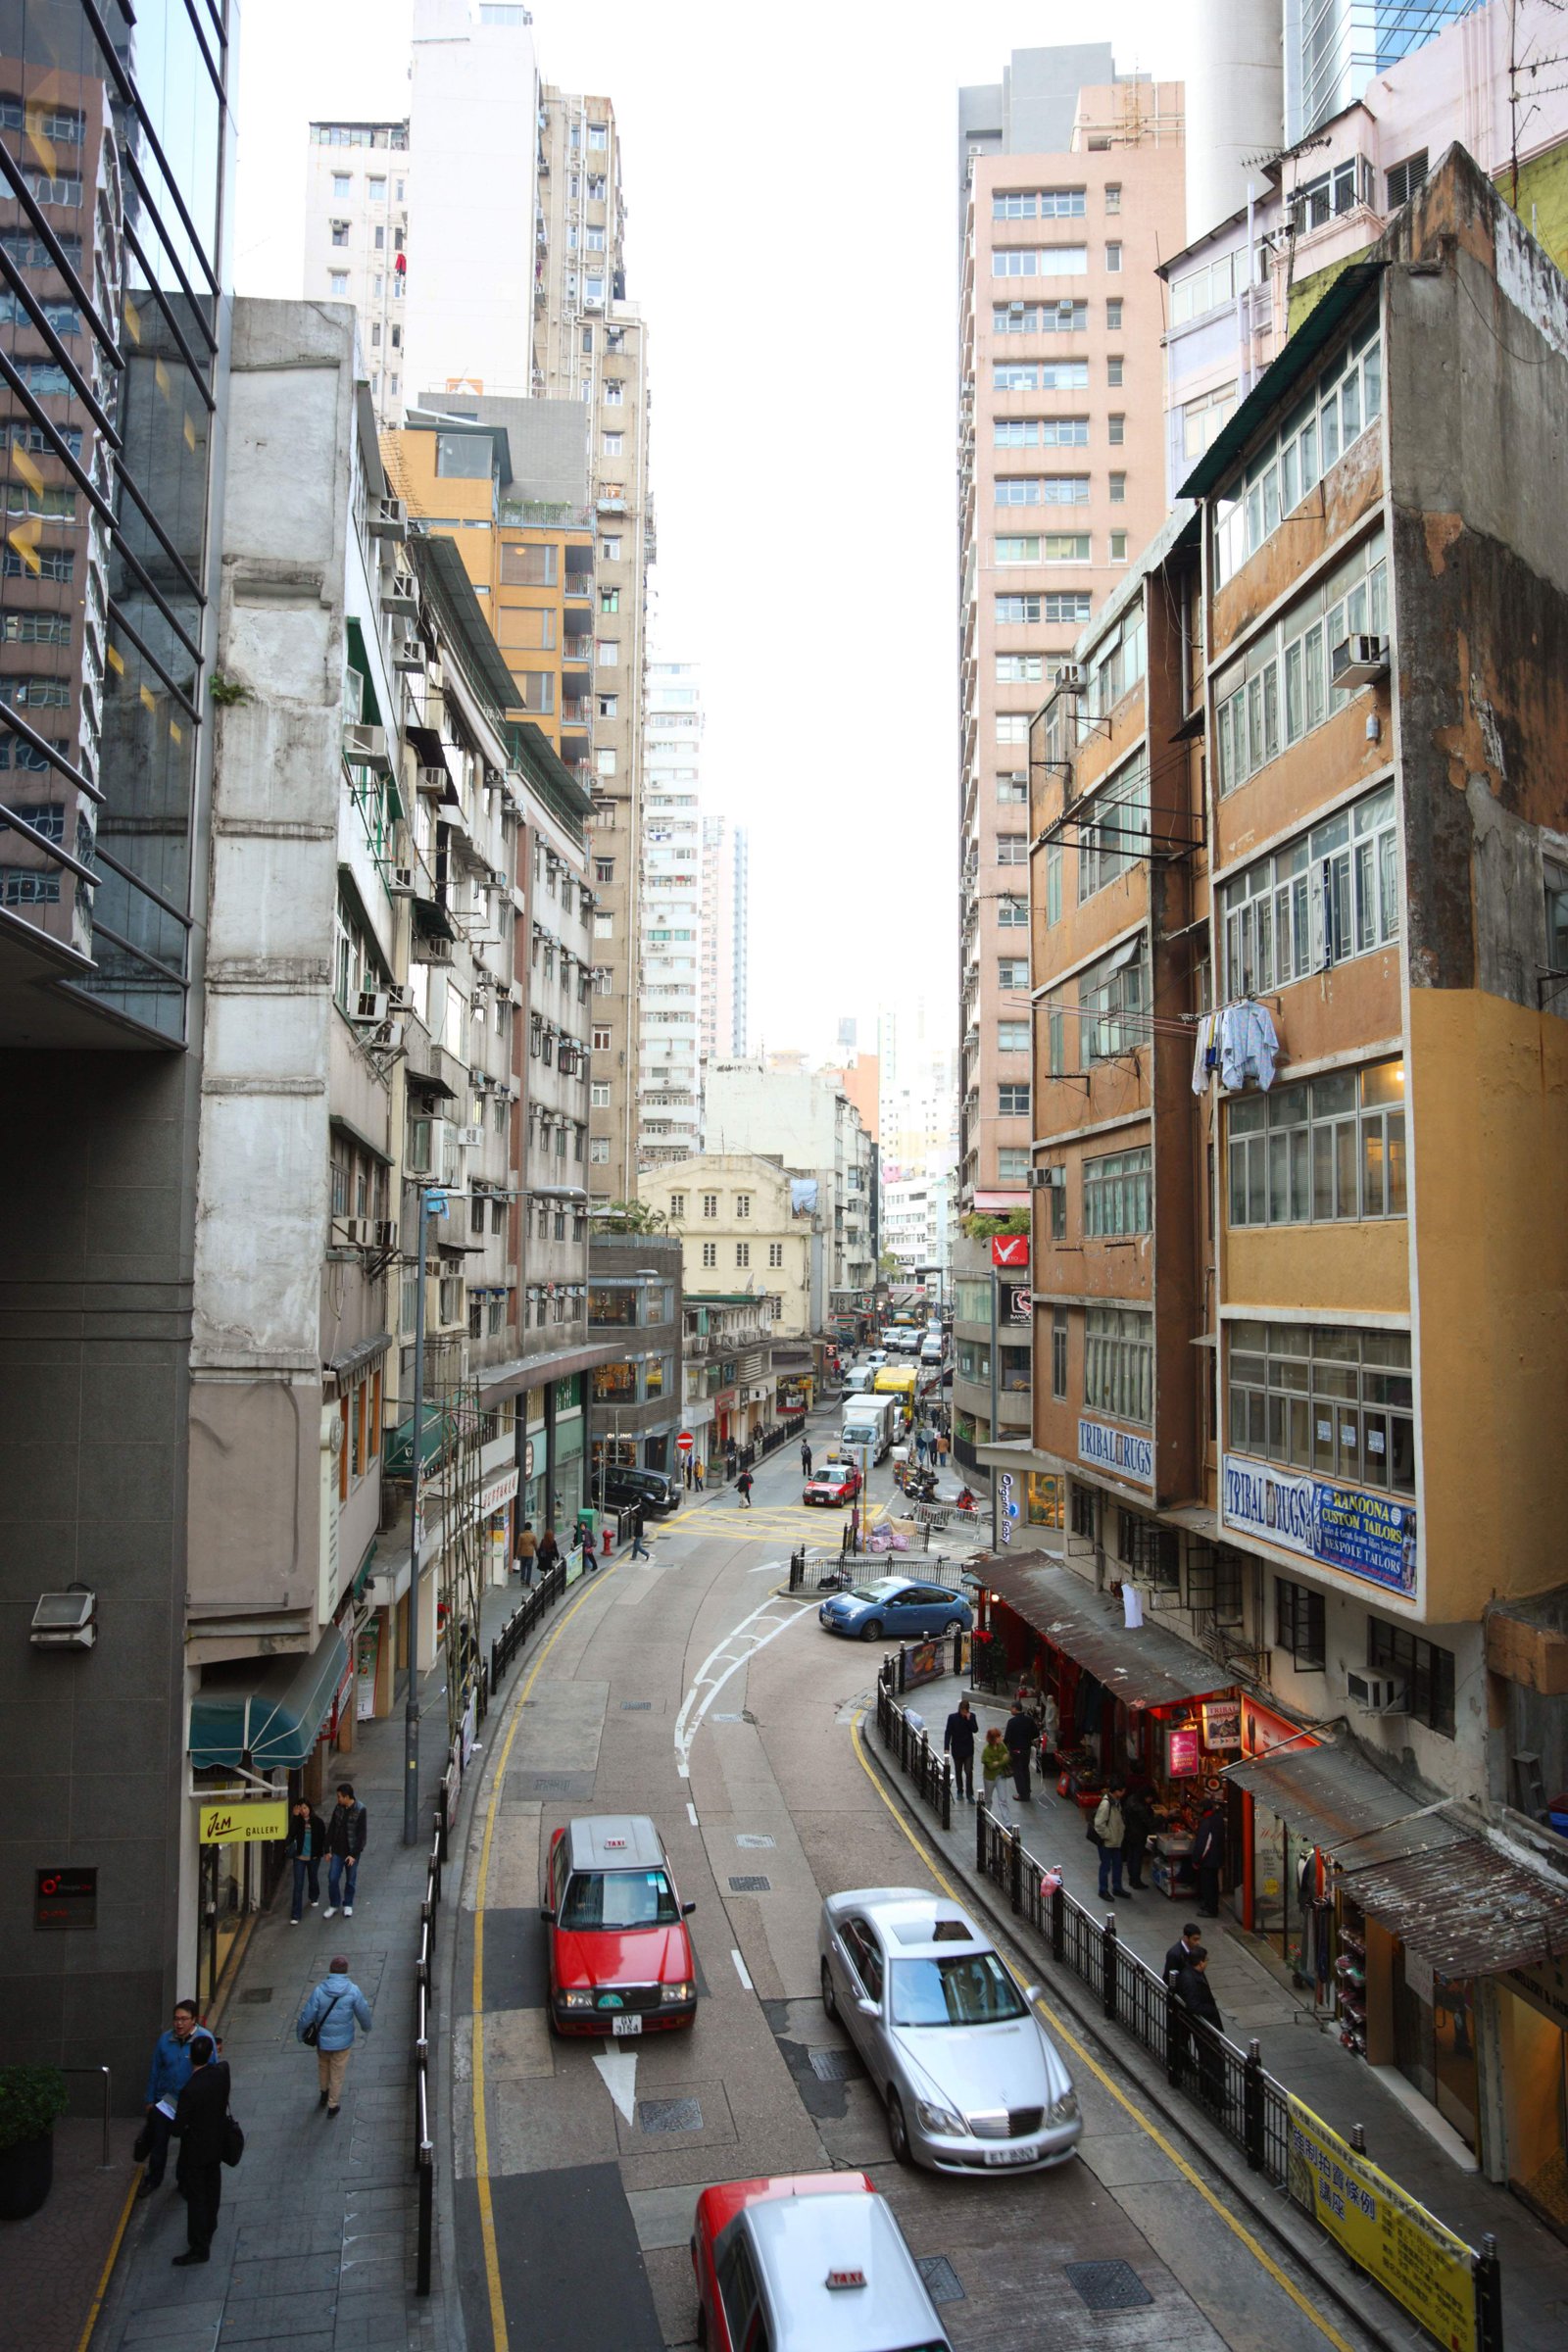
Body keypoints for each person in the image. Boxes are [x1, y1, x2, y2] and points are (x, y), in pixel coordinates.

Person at [170, 2031, 230, 2264]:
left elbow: (177, 2129)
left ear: (191, 2058)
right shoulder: (221, 2074)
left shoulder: (190, 2090)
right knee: (213, 2187)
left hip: (195, 2151)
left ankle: (199, 2246)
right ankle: (211, 2224)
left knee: (196, 2198)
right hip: (217, 2144)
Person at [297, 1955, 372, 2120]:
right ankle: (333, 2104)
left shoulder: (319, 1990)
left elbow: (307, 2015)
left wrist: (300, 2033)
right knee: (337, 2072)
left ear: (330, 1970)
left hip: (323, 2040)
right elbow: (363, 2011)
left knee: (323, 2065)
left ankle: (324, 2092)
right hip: (343, 2042)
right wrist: (366, 2027)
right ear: (346, 1971)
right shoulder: (353, 1990)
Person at [137, 1997, 200, 2196]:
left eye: (184, 2019)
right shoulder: (165, 2041)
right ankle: (154, 2179)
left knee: (188, 2146)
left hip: (190, 2105)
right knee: (158, 2143)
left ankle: (184, 2181)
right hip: (165, 2101)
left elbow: (210, 2074)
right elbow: (155, 2070)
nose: (179, 2023)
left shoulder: (203, 2041)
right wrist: (150, 2099)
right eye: (176, 2019)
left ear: (193, 2020)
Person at [1173, 1945, 1225, 2110]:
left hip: (1205, 2026)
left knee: (1211, 2060)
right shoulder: (1190, 1978)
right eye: (1206, 1960)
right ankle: (1216, 2097)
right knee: (1213, 2061)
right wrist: (1211, 2010)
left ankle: (1210, 2092)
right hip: (1203, 2027)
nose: (1207, 1963)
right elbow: (1194, 2006)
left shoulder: (1193, 1974)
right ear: (1200, 1963)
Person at [323, 1783, 367, 1919]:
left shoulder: (360, 1809)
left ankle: (348, 1904)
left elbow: (361, 1834)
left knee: (350, 1879)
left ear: (347, 1797)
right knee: (332, 1878)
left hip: (351, 1851)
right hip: (337, 1850)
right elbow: (332, 1828)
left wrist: (354, 1854)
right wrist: (327, 1849)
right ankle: (334, 1904)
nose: (338, 1799)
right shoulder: (339, 1808)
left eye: (339, 1797)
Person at [286, 1798, 327, 1926]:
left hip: (313, 1857)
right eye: (300, 1808)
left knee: (313, 1878)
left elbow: (323, 1839)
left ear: (309, 1808)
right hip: (299, 1858)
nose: (303, 1811)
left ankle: (314, 1896)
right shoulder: (297, 1822)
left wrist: (325, 1852)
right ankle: (296, 1914)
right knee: (298, 1885)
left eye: (305, 1808)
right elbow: (290, 1836)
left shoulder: (318, 1822)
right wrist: (295, 1817)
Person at [1092, 1783, 1128, 1900]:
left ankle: (1117, 1887)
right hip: (1107, 1842)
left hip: (1116, 1841)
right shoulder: (1106, 1804)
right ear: (1117, 1791)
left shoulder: (1116, 1803)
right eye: (1122, 1791)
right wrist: (1109, 1836)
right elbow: (1099, 1824)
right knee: (1106, 1866)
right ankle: (1103, 1890)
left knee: (1118, 1865)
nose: (1123, 1794)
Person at [1193, 1798, 1226, 1918]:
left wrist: (1197, 1859)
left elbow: (1204, 1843)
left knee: (1208, 1884)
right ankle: (1210, 1906)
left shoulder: (1208, 1822)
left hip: (1208, 1859)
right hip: (1215, 1857)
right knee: (1213, 1883)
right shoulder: (1218, 1818)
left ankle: (1210, 1908)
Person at [1121, 1785, 1156, 1892]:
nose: (1150, 1801)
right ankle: (1136, 1880)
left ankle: (1132, 1879)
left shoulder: (1131, 1799)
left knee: (1131, 1856)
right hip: (1138, 1835)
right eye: (1150, 1798)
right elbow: (1149, 1822)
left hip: (1129, 1833)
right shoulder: (1140, 1807)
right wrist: (1162, 1817)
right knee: (1137, 1857)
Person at [944, 1696, 978, 1802]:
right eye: (962, 1710)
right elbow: (948, 1732)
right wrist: (946, 1747)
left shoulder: (972, 1717)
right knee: (958, 1771)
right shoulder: (952, 1717)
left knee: (968, 1771)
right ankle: (960, 1790)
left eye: (965, 1711)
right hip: (957, 1748)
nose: (963, 1712)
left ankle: (969, 1793)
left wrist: (968, 1720)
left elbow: (975, 1729)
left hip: (968, 1749)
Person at [1004, 1700, 1036, 1803]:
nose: (1010, 1710)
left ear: (1015, 1708)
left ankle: (1022, 1794)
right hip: (1026, 1749)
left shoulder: (1012, 1722)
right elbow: (1036, 1733)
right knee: (1025, 1770)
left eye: (1011, 1708)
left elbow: (1007, 1738)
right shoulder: (1029, 1720)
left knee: (1018, 1772)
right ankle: (1027, 1791)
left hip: (1016, 1750)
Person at [981, 1727, 1013, 1826]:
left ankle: (1008, 1822)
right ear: (993, 1738)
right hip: (989, 1778)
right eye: (998, 1736)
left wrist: (997, 1763)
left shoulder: (1002, 1746)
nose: (1001, 1738)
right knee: (988, 1799)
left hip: (1000, 1776)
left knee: (1003, 1799)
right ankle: (985, 1817)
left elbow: (1007, 1758)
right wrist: (1002, 1761)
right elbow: (990, 1766)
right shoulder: (987, 1750)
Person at [514, 1520, 538, 1585]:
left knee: (523, 1567)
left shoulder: (521, 1535)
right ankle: (528, 1582)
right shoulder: (533, 1536)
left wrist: (517, 1554)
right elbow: (536, 1545)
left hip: (523, 1553)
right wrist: (537, 1553)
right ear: (530, 1527)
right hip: (530, 1554)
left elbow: (519, 1546)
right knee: (529, 1568)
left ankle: (522, 1579)